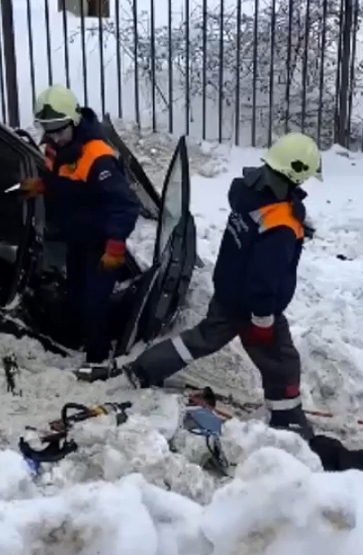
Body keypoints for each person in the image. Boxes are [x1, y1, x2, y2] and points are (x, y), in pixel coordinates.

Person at [122, 132, 322, 439]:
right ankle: (288, 420)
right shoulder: (281, 224)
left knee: (202, 338)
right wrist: (263, 319)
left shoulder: (249, 193)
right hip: (254, 305)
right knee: (281, 359)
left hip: (228, 291)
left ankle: (145, 369)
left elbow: (254, 237)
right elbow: (265, 277)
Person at [19, 84, 141, 371]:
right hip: (77, 239)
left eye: (60, 130)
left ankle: (98, 361)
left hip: (103, 244)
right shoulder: (56, 147)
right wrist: (42, 186)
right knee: (75, 296)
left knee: (94, 304)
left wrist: (115, 245)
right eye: (49, 130)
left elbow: (125, 205)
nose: (55, 137)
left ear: (74, 121)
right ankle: (80, 343)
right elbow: (68, 185)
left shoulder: (98, 157)